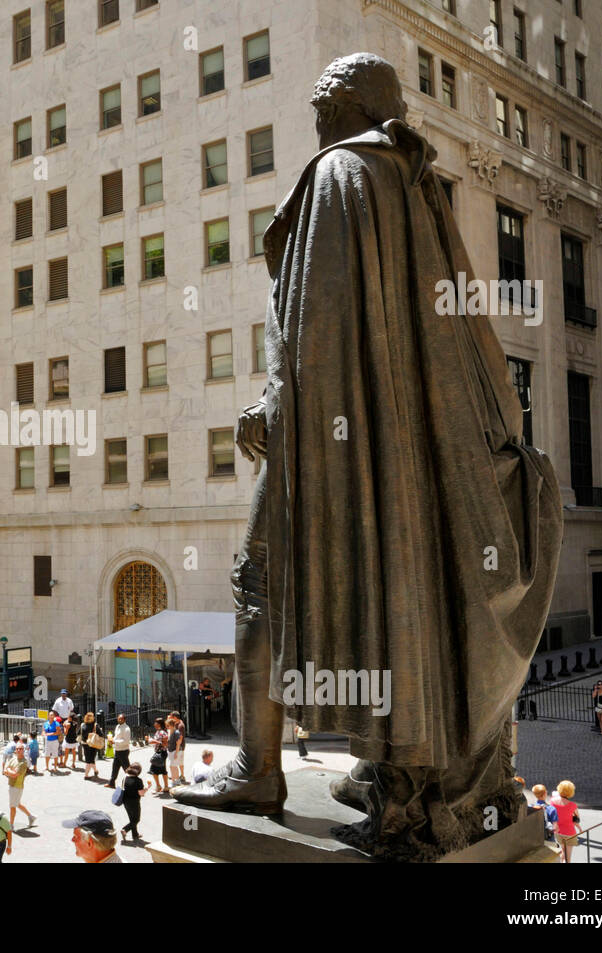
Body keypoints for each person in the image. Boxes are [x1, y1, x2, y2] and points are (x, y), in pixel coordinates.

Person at [175, 55, 562, 862]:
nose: (315, 123)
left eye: (323, 107)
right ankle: (389, 763)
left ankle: (259, 770)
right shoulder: (413, 182)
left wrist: (272, 411)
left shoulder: (339, 175)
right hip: (399, 449)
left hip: (327, 439)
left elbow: (317, 330)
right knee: (392, 591)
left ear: (346, 107)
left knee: (255, 583)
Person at [3, 741, 36, 829]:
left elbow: (14, 774)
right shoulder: (13, 758)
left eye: (21, 749)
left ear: (23, 750)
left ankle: (11, 825)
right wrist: (10, 771)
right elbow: (5, 769)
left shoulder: (23, 762)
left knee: (12, 806)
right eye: (17, 749)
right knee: (17, 804)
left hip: (17, 786)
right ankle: (31, 816)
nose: (19, 750)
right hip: (11, 784)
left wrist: (9, 771)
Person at [551, 780, 580, 864]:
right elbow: (577, 819)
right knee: (568, 859)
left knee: (563, 852)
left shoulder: (553, 802)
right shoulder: (572, 805)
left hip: (558, 832)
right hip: (569, 833)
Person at [119, 763, 147, 841]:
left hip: (125, 801)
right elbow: (141, 793)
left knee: (132, 819)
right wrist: (147, 788)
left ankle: (135, 834)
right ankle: (125, 829)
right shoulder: (138, 780)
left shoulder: (125, 778)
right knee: (136, 819)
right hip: (134, 802)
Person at [106, 713, 132, 787]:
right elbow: (116, 737)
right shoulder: (117, 726)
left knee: (127, 768)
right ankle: (111, 783)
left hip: (123, 751)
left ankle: (132, 783)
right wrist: (112, 740)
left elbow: (126, 741)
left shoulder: (127, 729)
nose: (119, 720)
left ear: (124, 719)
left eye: (121, 719)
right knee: (115, 767)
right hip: (117, 750)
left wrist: (114, 742)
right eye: (118, 718)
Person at [149, 718, 170, 792]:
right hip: (160, 753)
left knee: (155, 770)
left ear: (159, 724)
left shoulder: (162, 732)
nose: (154, 724)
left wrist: (154, 741)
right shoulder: (159, 732)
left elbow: (165, 743)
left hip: (161, 753)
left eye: (155, 723)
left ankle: (161, 786)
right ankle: (163, 786)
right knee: (159, 770)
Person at [80, 712, 103, 781]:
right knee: (90, 760)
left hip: (85, 744)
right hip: (93, 744)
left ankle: (95, 771)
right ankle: (86, 775)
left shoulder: (82, 725)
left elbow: (79, 733)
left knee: (89, 759)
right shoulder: (95, 725)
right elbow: (101, 734)